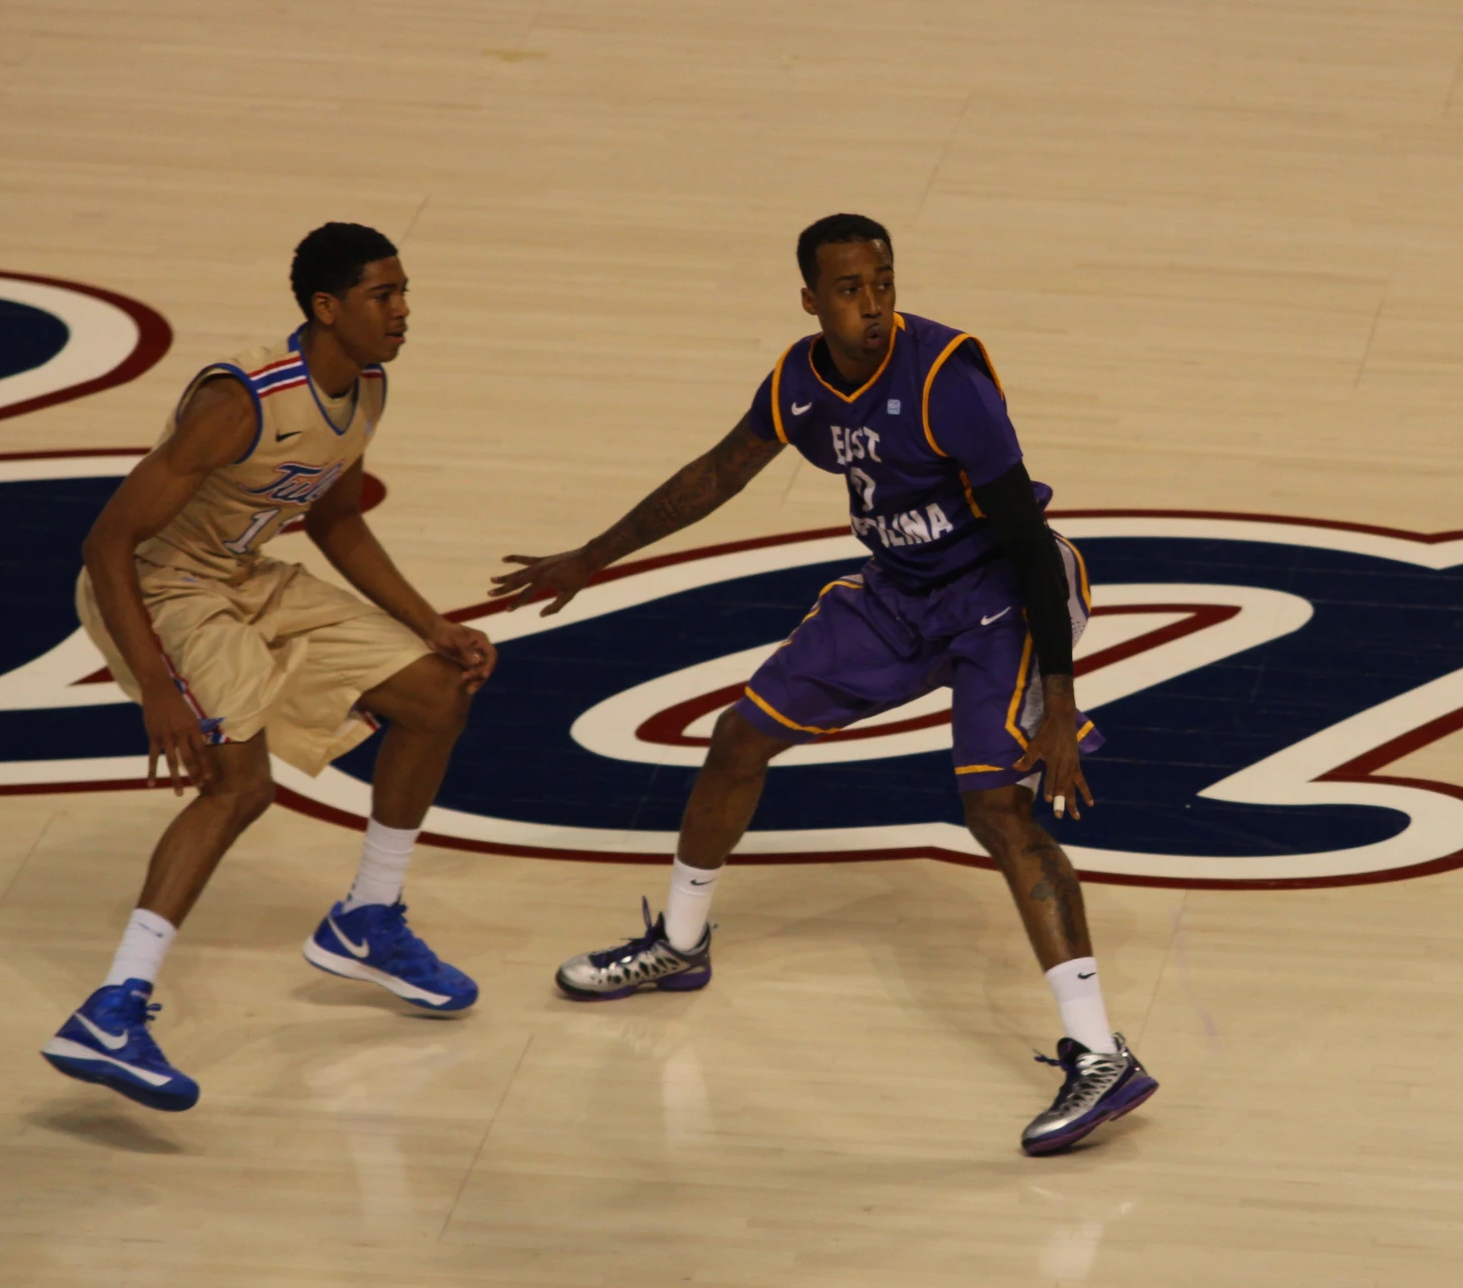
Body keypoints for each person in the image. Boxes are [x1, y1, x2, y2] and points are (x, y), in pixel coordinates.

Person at [490, 214, 1157, 1156]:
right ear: (811, 300)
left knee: (996, 807)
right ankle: (680, 945)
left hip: (1000, 598)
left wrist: (1060, 695)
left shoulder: (945, 382)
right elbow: (718, 471)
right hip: (896, 596)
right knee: (738, 737)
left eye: (883, 282)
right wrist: (593, 556)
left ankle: (1102, 1054)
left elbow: (1026, 543)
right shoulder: (801, 381)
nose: (874, 304)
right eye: (850, 289)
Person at [41, 223, 496, 1113]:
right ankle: (112, 1006)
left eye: (405, 292)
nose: (403, 311)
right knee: (238, 785)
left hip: (241, 575)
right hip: (158, 589)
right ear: (327, 309)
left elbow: (336, 521)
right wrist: (160, 685)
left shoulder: (367, 387)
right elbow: (109, 543)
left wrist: (429, 622)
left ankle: (367, 918)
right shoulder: (240, 399)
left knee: (438, 694)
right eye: (383, 295)